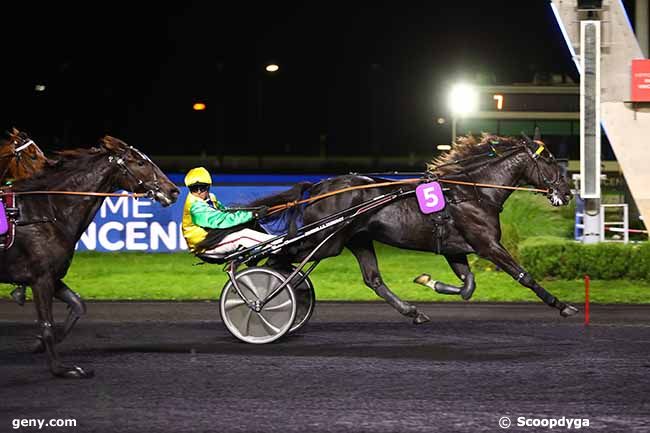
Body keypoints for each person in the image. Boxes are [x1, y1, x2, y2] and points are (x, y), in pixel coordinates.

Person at [181, 167, 274, 256]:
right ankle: (277, 245)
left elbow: (226, 211)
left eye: (202, 187)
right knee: (243, 236)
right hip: (204, 246)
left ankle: (273, 246)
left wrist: (253, 211)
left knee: (250, 224)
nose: (199, 192)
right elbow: (221, 220)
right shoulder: (195, 206)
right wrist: (253, 214)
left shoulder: (211, 197)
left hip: (212, 238)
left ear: (209, 186)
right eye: (194, 188)